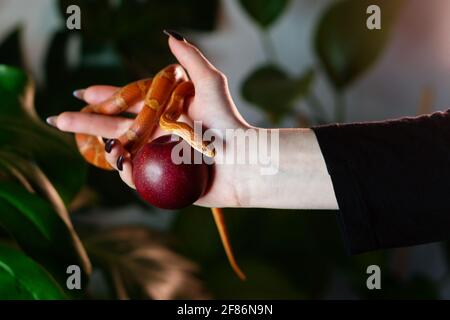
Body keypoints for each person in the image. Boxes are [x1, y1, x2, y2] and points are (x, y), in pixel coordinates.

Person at [47, 30, 450, 255]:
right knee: (104, 117)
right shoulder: (174, 129)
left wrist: (242, 168)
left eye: (203, 146)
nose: (206, 148)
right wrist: (250, 165)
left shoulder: (183, 133)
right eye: (203, 146)